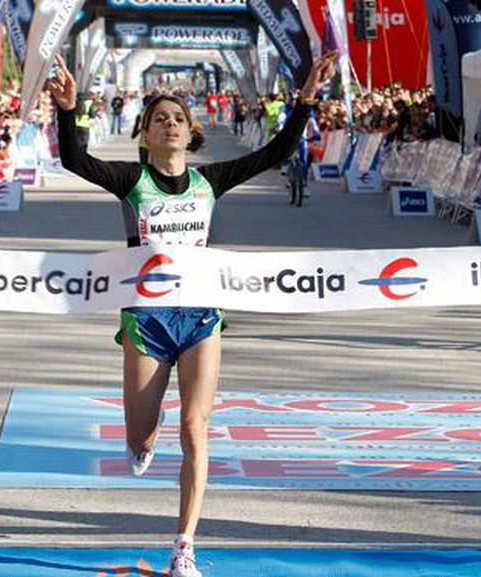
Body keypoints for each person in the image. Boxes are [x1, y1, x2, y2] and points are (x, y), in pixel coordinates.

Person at [48, 52, 335, 577]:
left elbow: (277, 152)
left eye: (178, 117)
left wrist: (306, 99)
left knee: (196, 427)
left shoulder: (211, 181)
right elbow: (74, 161)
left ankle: (184, 546)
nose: (170, 124)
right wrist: (67, 113)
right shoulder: (130, 180)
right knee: (143, 433)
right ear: (146, 134)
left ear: (191, 131)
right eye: (159, 118)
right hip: (147, 320)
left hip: (201, 316)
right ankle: (142, 443)